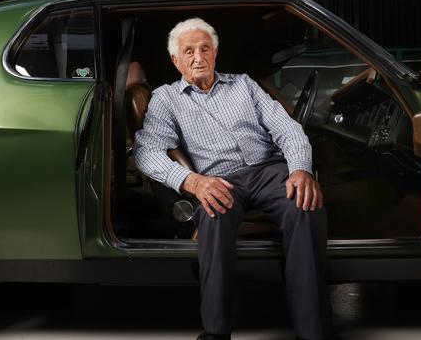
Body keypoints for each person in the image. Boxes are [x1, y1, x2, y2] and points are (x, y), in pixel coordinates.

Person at [134, 17, 332, 340]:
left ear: (215, 53)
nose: (198, 57)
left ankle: (313, 333)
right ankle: (216, 332)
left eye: (205, 49)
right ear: (175, 60)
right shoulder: (166, 99)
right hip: (218, 179)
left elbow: (287, 128)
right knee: (213, 214)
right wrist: (193, 182)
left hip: (270, 170)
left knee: (305, 204)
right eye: (189, 52)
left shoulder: (244, 84)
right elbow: (146, 153)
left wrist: (299, 169)